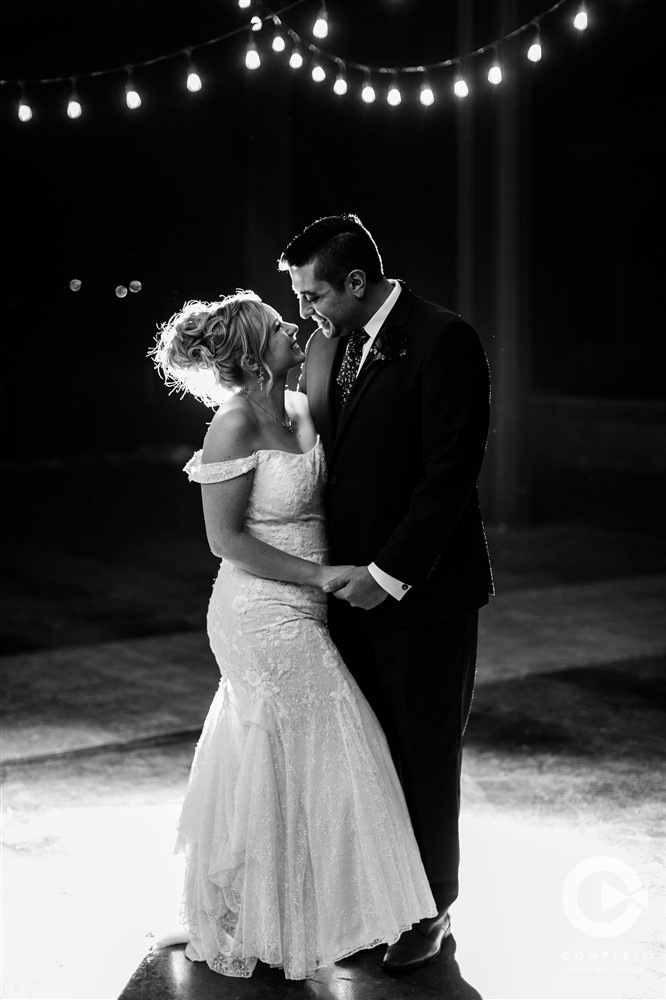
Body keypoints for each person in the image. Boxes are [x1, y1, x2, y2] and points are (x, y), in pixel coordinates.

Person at [151, 290, 437, 981]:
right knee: (331, 734)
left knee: (282, 752)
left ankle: (294, 910)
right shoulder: (234, 424)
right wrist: (321, 575)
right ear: (254, 354)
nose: (295, 328)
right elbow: (226, 540)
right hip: (257, 610)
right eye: (280, 327)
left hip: (309, 604)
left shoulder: (301, 406)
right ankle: (276, 920)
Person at [278, 214, 493, 973]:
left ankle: (430, 908)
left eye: (314, 296)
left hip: (423, 593)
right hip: (341, 589)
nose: (307, 312)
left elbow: (449, 476)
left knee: (423, 752)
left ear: (358, 283)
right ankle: (378, 896)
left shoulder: (445, 340)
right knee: (366, 752)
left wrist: (388, 575)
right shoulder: (325, 345)